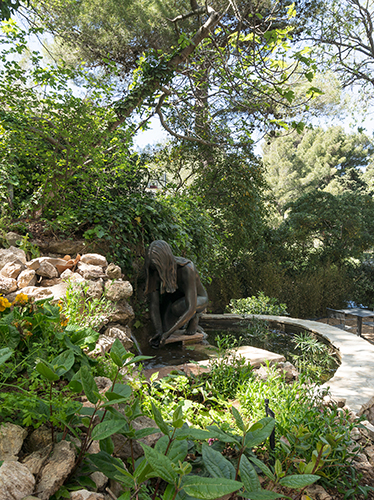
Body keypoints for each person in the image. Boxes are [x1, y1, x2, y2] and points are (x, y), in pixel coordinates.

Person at [144, 240, 209, 348]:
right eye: (154, 269)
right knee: (166, 326)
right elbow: (154, 304)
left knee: (176, 308)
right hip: (176, 299)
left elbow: (190, 307)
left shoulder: (187, 269)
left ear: (164, 263)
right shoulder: (153, 270)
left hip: (198, 299)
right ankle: (184, 322)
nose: (156, 273)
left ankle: (194, 318)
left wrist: (167, 334)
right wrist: (159, 331)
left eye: (158, 269)